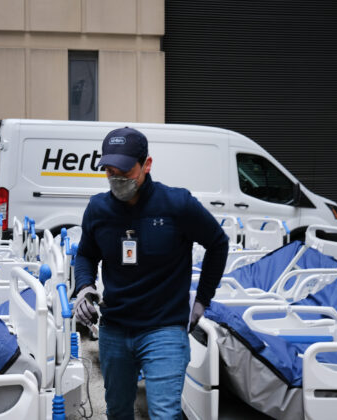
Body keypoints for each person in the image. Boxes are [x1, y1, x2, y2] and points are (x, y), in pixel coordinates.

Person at [72, 127, 229, 419]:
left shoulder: (177, 205)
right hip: (115, 328)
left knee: (164, 414)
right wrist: (85, 286)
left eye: (124, 170)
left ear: (147, 165)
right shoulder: (98, 209)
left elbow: (218, 243)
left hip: (164, 329)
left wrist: (202, 300)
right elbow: (85, 254)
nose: (116, 177)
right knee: (118, 411)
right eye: (109, 170)